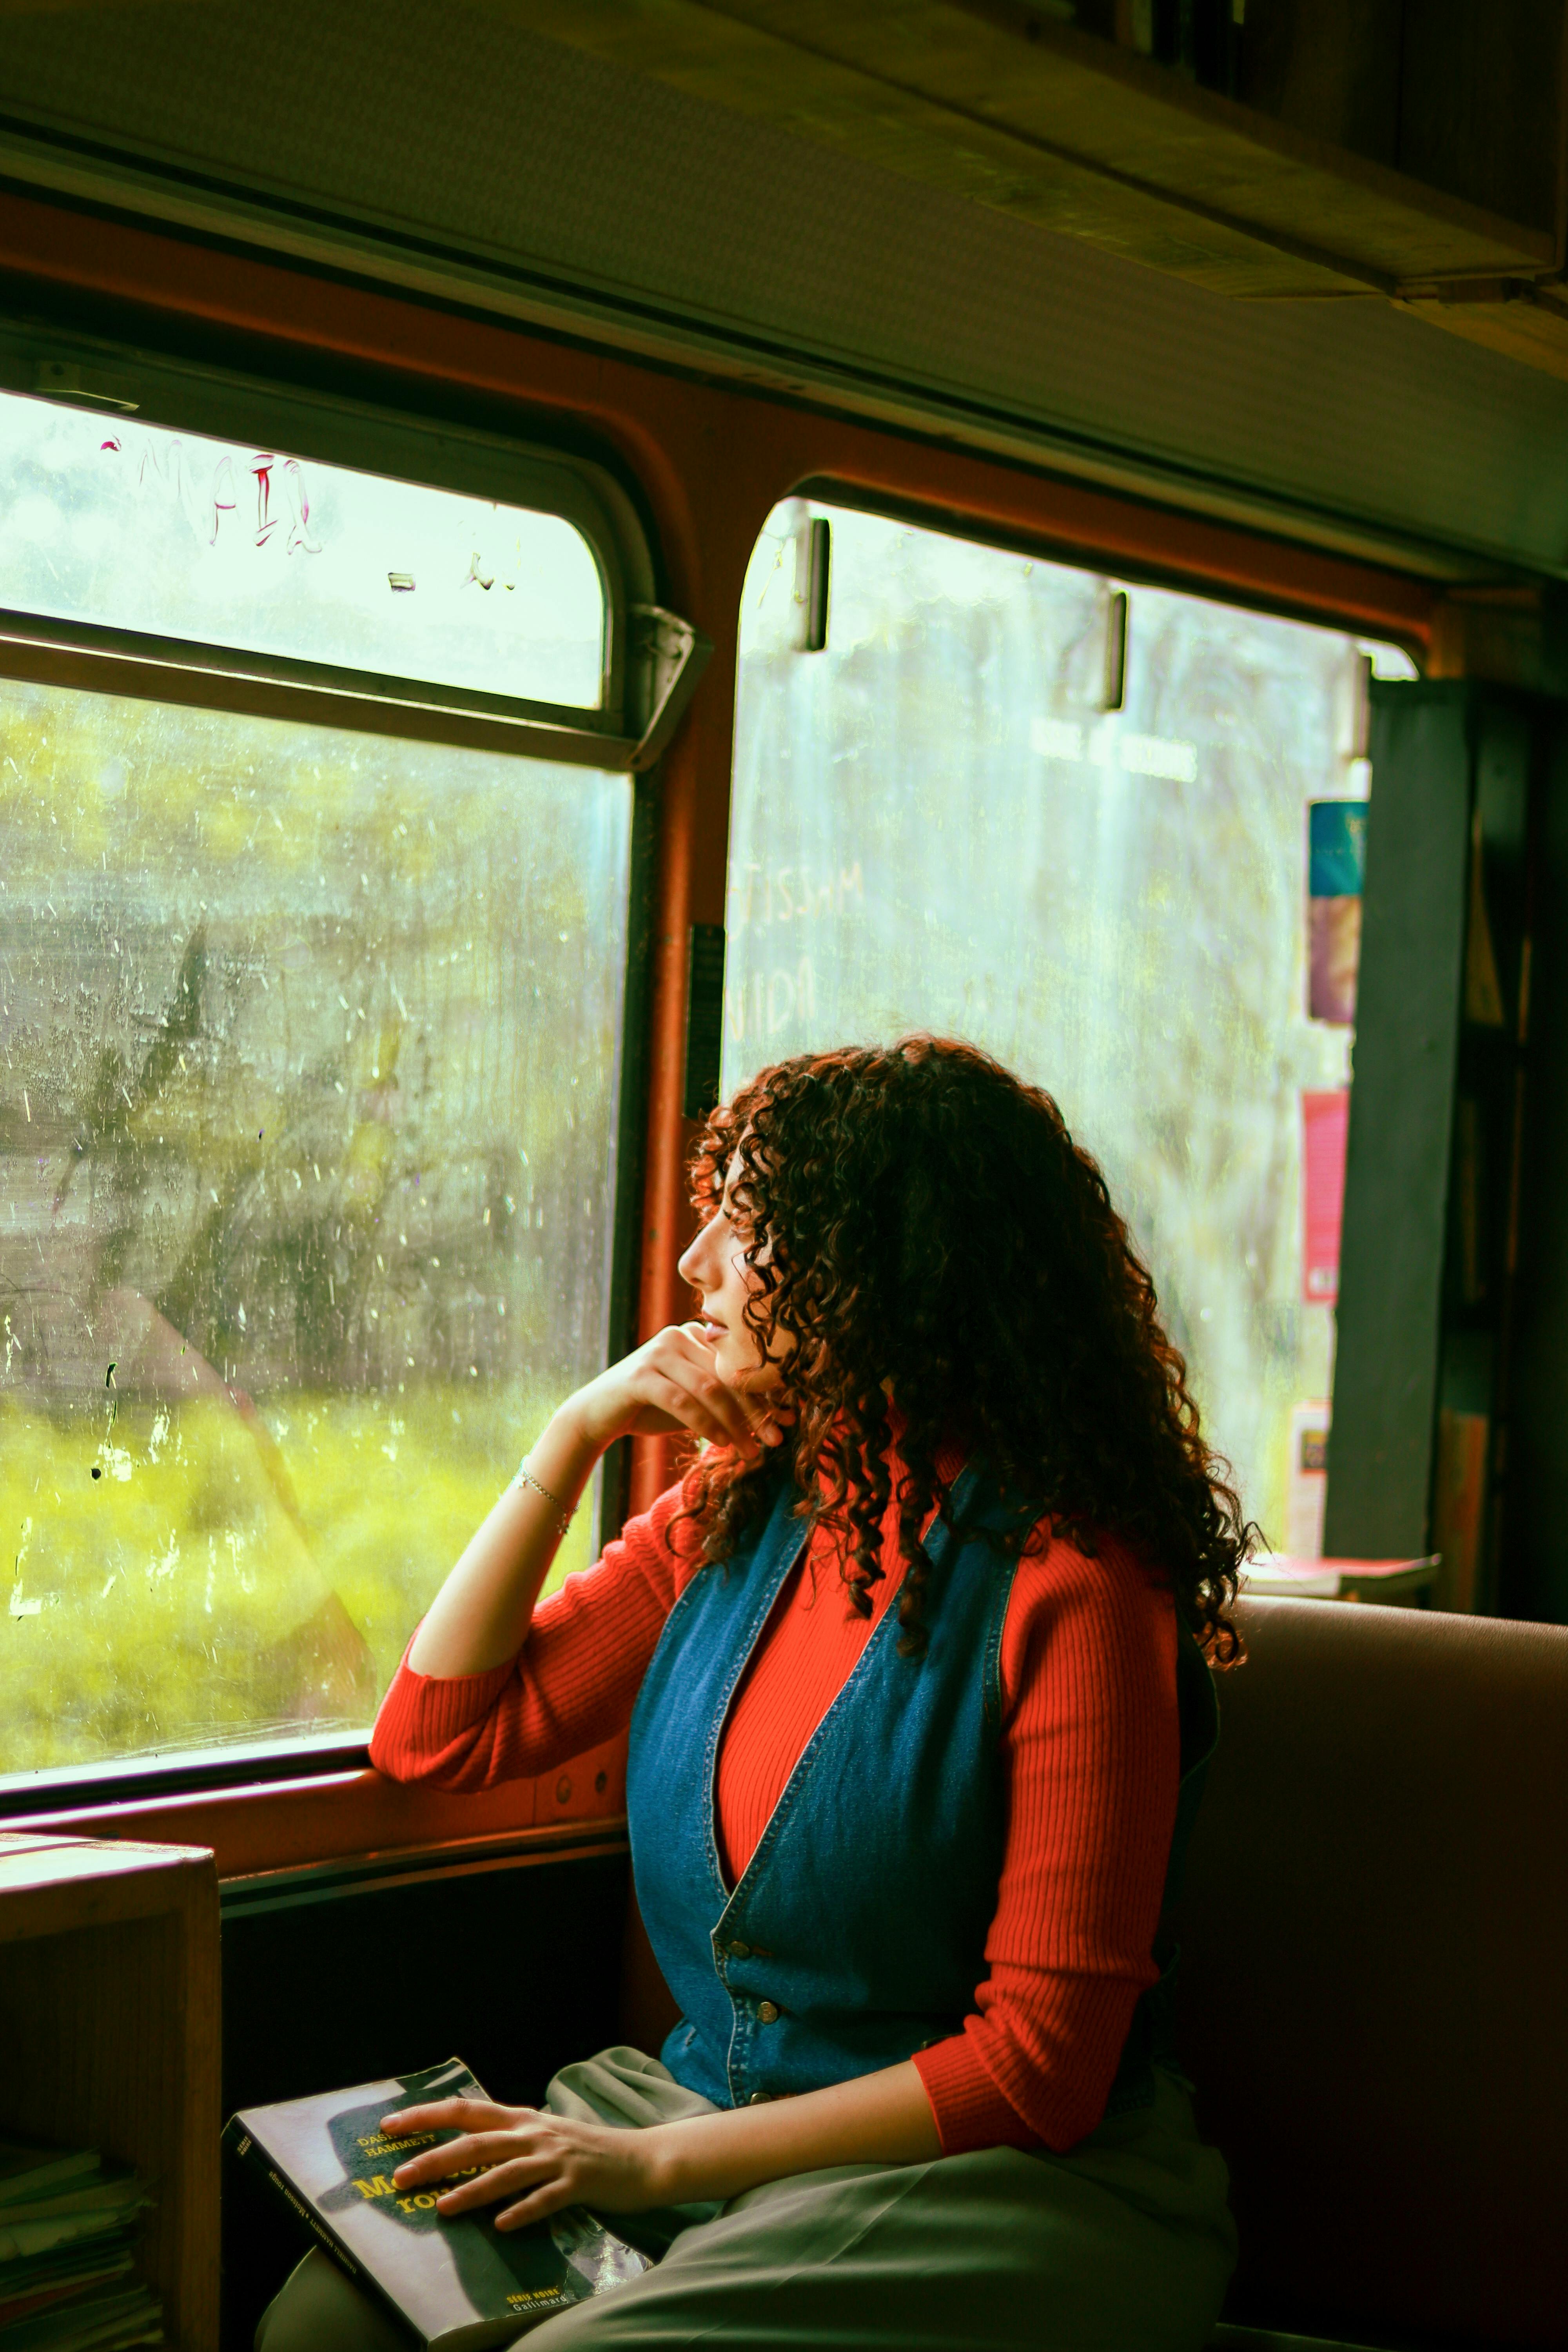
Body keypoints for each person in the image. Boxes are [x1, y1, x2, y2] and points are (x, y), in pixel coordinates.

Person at [256, 1036, 1247, 2352]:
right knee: (325, 2325)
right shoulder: (739, 1510)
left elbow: (1040, 2073)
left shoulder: (1080, 1586)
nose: (694, 1261)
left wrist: (646, 2172)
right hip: (702, 2116)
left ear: (888, 1275)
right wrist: (578, 1429)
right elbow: (437, 1737)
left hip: (999, 2181)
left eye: (749, 1222)